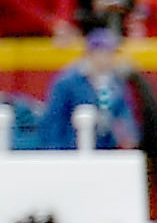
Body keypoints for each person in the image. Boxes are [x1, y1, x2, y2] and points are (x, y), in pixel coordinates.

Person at [37, 24, 141, 152]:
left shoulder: (115, 82)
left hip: (104, 150)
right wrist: (55, 152)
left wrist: (128, 135)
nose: (108, 59)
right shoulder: (68, 82)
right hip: (72, 149)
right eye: (104, 53)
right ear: (91, 54)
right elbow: (54, 119)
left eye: (111, 54)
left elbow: (124, 113)